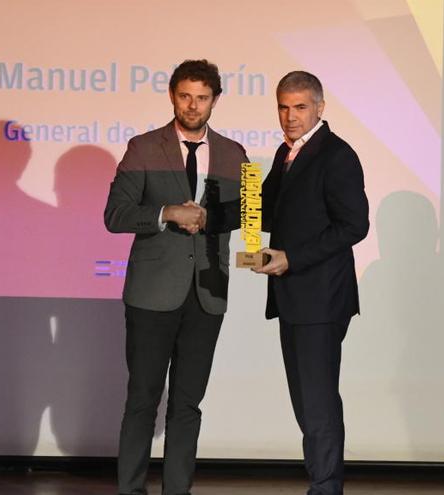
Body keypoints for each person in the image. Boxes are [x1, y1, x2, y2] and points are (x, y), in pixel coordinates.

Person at [104, 59, 245, 495]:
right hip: (151, 294)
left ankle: (177, 490)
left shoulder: (235, 154)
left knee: (188, 403)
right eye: (185, 96)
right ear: (172, 96)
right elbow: (116, 215)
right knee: (143, 400)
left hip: (207, 292)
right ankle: (130, 489)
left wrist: (208, 217)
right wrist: (168, 213)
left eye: (202, 98)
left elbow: (247, 215)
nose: (193, 105)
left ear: (215, 100)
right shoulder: (143, 147)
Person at [254, 71, 370, 495]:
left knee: (317, 402)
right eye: (283, 107)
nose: (289, 116)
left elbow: (354, 225)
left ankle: (326, 487)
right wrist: (227, 200)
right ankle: (322, 482)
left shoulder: (336, 155)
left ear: (320, 108)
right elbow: (266, 213)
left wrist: (292, 257)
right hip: (295, 298)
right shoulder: (288, 154)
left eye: (299, 107)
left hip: (321, 298)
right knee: (306, 401)